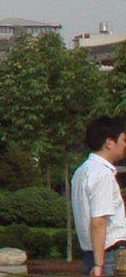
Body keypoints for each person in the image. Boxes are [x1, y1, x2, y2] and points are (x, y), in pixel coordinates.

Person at [71, 116, 126, 276]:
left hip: (92, 252)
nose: (125, 145)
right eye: (123, 140)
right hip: (106, 254)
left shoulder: (81, 171)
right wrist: (99, 264)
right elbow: (98, 221)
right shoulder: (102, 174)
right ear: (109, 142)